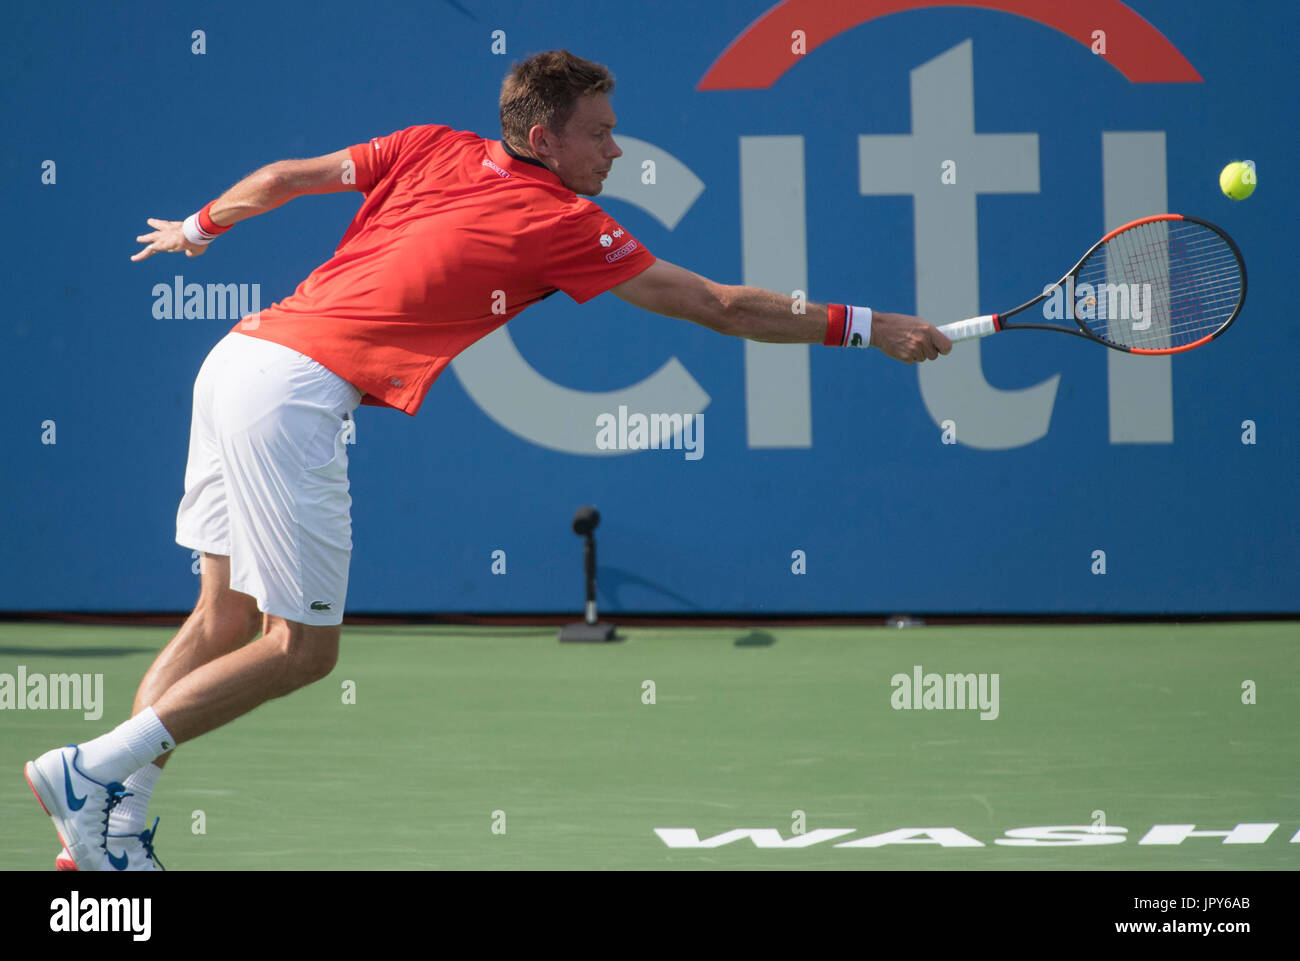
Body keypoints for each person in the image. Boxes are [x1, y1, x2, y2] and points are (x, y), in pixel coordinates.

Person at [24, 49, 951, 871]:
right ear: (545, 138)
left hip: (235, 358)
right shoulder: (562, 223)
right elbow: (719, 304)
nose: (616, 152)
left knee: (221, 611)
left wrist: (197, 229)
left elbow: (279, 178)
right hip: (293, 396)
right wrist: (869, 328)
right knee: (300, 651)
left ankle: (104, 832)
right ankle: (89, 770)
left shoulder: (430, 144)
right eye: (601, 135)